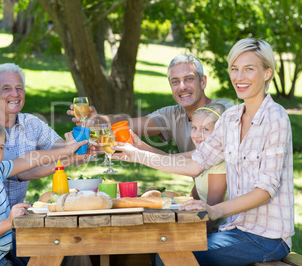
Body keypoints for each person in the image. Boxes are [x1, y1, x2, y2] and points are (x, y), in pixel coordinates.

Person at [113, 38, 294, 265]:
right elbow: (195, 163)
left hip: (266, 238)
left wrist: (214, 211)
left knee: (173, 254)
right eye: (234, 69)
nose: (239, 77)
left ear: (267, 73)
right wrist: (135, 153)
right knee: (162, 246)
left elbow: (265, 190)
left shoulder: (276, 118)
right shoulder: (231, 118)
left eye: (249, 69)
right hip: (235, 229)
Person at [0, 116, 85, 265]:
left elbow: (27, 159)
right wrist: (8, 222)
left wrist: (67, 152)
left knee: (66, 248)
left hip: (6, 251)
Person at [67, 54, 234, 153]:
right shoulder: (172, 114)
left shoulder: (222, 110)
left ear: (203, 82)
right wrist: (99, 120)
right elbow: (129, 124)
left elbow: (202, 161)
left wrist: (151, 154)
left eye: (189, 79)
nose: (182, 87)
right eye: (175, 82)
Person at [0, 63, 66, 207]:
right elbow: (18, 172)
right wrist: (68, 156)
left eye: (19, 88)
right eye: (6, 88)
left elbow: (61, 146)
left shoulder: (32, 123)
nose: (15, 94)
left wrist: (80, 140)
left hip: (18, 216)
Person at [189, 103, 227, 233]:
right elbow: (195, 196)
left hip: (221, 231)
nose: (197, 135)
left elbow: (211, 214)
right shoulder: (201, 157)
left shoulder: (220, 164)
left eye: (205, 129)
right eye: (194, 128)